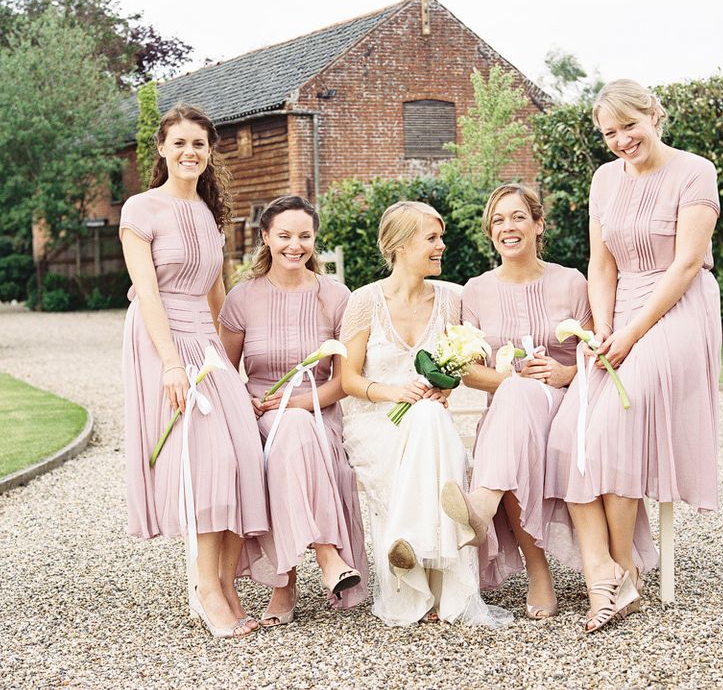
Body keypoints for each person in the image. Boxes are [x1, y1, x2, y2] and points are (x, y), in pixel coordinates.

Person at [546, 79, 721, 632]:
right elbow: (602, 265)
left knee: (614, 424)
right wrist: (602, 330)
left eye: (630, 126)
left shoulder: (695, 171)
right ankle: (610, 571)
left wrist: (633, 334)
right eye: (610, 133)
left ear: (654, 114)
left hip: (678, 309)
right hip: (619, 313)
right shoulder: (604, 180)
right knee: (568, 432)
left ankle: (622, 569)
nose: (622, 140)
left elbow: (687, 265)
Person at [120, 104, 273, 638]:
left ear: (210, 154)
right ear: (162, 150)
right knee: (206, 462)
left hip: (207, 345)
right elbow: (150, 294)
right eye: (179, 143)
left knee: (244, 455)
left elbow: (218, 296)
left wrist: (234, 365)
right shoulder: (141, 209)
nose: (190, 152)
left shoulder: (210, 215)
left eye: (200, 145)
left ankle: (226, 583)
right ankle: (205, 590)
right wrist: (169, 365)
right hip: (162, 338)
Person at [340, 201, 507, 626]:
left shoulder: (453, 300)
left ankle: (408, 546)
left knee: (430, 417)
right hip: (377, 422)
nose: (442, 246)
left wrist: (443, 386)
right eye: (432, 238)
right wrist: (396, 392)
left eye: (441, 237)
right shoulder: (364, 302)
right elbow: (348, 380)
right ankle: (445, 579)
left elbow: (462, 368)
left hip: (429, 426)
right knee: (427, 422)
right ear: (399, 245)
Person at [440, 183, 589, 619]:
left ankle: (481, 506)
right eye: (499, 220)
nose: (508, 227)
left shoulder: (571, 281)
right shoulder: (476, 290)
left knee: (505, 434)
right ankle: (538, 575)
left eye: (518, 217)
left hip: (566, 406)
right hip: (509, 409)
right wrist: (507, 379)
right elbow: (467, 368)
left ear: (538, 224)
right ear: (490, 232)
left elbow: (598, 351)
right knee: (513, 403)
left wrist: (566, 373)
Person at [218, 195, 368, 626]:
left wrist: (298, 403)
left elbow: (343, 381)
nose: (294, 245)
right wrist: (243, 399)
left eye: (304, 236)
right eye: (284, 235)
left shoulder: (337, 297)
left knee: (298, 427)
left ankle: (286, 583)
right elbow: (226, 372)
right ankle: (327, 556)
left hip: (318, 410)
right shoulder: (242, 298)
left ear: (314, 239)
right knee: (289, 430)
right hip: (262, 411)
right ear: (265, 237)